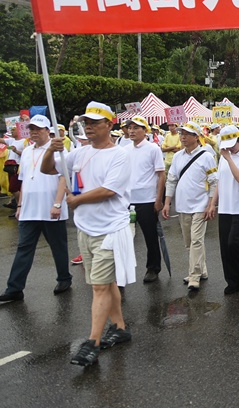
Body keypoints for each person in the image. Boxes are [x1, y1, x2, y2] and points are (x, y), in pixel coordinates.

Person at [43, 102, 134, 367]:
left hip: (111, 229)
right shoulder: (79, 153)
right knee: (106, 284)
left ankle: (92, 343)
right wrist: (52, 149)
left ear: (110, 124)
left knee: (99, 286)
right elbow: (49, 170)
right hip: (85, 229)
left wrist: (77, 200)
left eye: (95, 122)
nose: (90, 126)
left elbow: (109, 190)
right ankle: (119, 327)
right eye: (87, 122)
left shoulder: (120, 154)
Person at [0, 115, 71, 303]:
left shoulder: (57, 150)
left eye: (39, 129)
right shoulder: (27, 151)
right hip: (29, 209)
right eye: (31, 128)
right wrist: (20, 205)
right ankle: (14, 288)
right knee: (23, 248)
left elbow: (63, 178)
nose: (34, 132)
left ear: (48, 130)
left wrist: (57, 203)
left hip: (51, 207)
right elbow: (23, 181)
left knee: (58, 246)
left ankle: (64, 278)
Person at [162, 121, 218, 291]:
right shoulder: (178, 156)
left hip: (200, 206)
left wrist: (211, 204)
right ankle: (202, 270)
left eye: (186, 134)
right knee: (189, 242)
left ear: (196, 136)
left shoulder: (206, 156)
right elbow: (171, 180)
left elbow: (214, 181)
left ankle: (194, 275)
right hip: (183, 205)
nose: (183, 137)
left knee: (196, 240)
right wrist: (166, 203)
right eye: (181, 134)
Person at [209, 125, 239, 295]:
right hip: (225, 207)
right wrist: (213, 203)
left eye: (232, 142)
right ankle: (232, 280)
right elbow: (220, 182)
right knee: (225, 247)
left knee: (235, 243)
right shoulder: (222, 156)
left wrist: (229, 158)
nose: (229, 146)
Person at [125, 116, 166, 283]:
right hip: (127, 200)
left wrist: (158, 199)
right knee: (125, 237)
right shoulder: (125, 149)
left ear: (145, 130)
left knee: (150, 236)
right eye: (130, 128)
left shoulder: (153, 149)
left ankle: (153, 268)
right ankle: (124, 269)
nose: (132, 131)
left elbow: (161, 175)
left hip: (147, 199)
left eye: (136, 128)